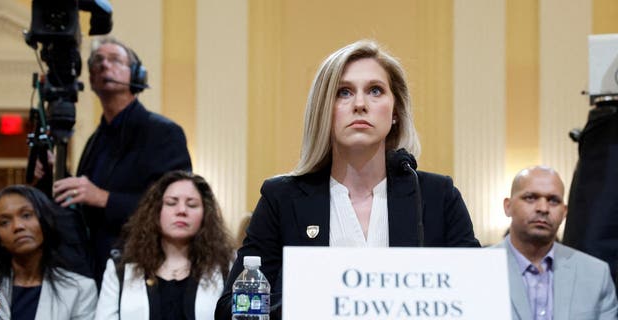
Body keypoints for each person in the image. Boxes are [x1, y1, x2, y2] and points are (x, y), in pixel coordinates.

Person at [214, 40, 480, 319]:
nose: (360, 104)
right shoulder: (281, 199)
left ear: (395, 113)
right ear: (323, 111)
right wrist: (316, 298)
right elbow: (230, 307)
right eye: (344, 92)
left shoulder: (438, 196)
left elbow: (478, 294)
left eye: (375, 90)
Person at [36, 36, 193, 284]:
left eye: (115, 60)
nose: (104, 65)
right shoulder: (94, 141)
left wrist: (103, 198)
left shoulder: (164, 133)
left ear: (137, 75)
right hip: (95, 270)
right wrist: (58, 174)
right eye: (97, 61)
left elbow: (172, 206)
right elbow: (83, 209)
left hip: (144, 270)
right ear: (90, 79)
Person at [95, 171, 234, 320]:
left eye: (192, 205)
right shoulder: (120, 268)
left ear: (206, 214)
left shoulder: (226, 267)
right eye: (171, 203)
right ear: (156, 211)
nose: (182, 211)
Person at [494, 166, 618, 320]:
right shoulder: (477, 269)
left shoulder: (596, 274)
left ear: (564, 212)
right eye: (530, 197)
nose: (543, 208)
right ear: (508, 206)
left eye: (553, 200)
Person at [0, 185, 98, 320]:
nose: (18, 226)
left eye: (26, 215)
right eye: (4, 222)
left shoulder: (80, 288)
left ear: (45, 221)